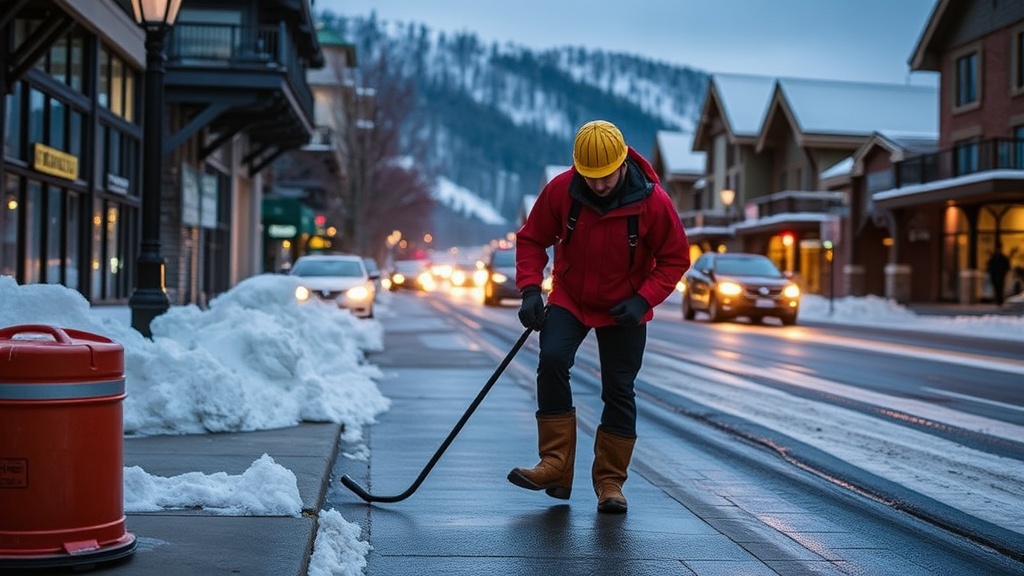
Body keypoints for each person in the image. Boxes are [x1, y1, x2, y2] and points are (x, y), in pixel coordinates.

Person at [509, 120, 691, 514]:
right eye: (591, 178)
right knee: (553, 359)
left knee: (619, 389)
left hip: (625, 308)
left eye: (607, 176)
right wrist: (529, 290)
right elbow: (532, 238)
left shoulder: (653, 201)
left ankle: (610, 482)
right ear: (578, 169)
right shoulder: (562, 190)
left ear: (622, 162)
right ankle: (555, 465)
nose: (600, 185)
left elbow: (675, 258)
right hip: (571, 298)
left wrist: (643, 300)